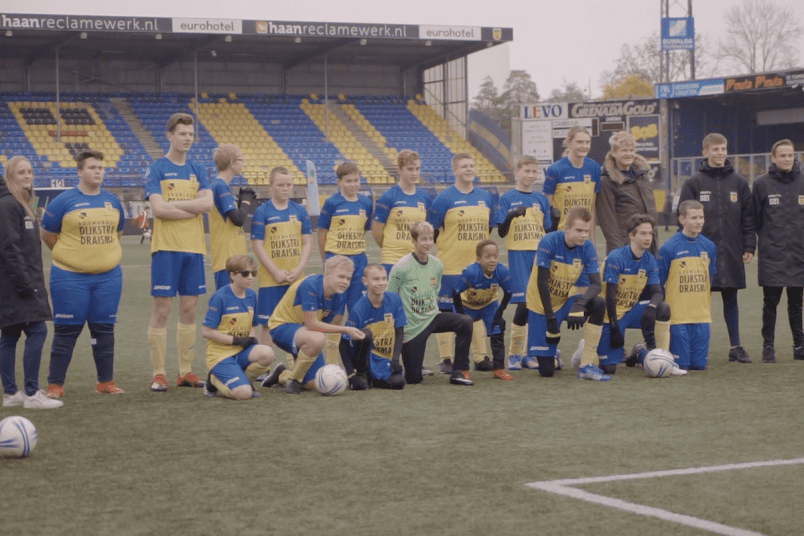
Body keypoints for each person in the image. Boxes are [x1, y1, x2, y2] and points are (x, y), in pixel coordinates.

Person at [40, 150, 126, 398]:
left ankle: (105, 382)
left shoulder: (113, 201)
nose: (98, 171)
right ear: (79, 171)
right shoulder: (62, 202)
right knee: (67, 331)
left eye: (100, 167)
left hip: (108, 277)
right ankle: (55, 384)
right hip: (69, 277)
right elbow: (47, 235)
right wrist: (71, 256)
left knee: (104, 329)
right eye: (92, 167)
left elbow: (116, 234)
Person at [144, 112, 213, 392]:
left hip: (194, 248)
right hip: (166, 248)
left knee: (189, 309)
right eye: (182, 134)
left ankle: (185, 371)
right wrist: (191, 206)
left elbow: (207, 205)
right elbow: (158, 209)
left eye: (190, 134)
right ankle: (158, 373)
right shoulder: (157, 168)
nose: (187, 139)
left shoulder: (199, 169)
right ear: (170, 135)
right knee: (162, 310)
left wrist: (179, 208)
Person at [678, 133, 754, 364]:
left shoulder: (739, 183)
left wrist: (749, 244)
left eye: (723, 149)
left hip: (731, 250)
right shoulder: (693, 183)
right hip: (699, 254)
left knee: (731, 298)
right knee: (698, 300)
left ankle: (736, 347)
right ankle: (696, 347)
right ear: (705, 152)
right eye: (715, 149)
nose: (720, 153)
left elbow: (748, 218)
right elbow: (682, 216)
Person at [0, 156, 62, 409]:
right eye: (21, 173)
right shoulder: (8, 204)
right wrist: (26, 283)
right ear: (10, 176)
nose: (27, 176)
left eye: (29, 172)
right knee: (37, 331)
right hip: (18, 283)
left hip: (17, 281)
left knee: (10, 334)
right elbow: (9, 247)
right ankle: (32, 393)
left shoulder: (21, 202)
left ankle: (12, 395)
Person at [588, 214, 680, 376]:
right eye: (643, 233)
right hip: (611, 314)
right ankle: (587, 347)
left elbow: (658, 292)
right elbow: (609, 295)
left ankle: (661, 358)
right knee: (609, 369)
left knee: (662, 308)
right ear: (631, 235)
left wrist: (651, 307)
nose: (648, 238)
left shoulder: (650, 260)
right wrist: (614, 325)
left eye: (650, 234)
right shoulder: (616, 257)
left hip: (631, 310)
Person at [429, 153, 495, 374]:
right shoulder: (444, 198)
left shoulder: (485, 197)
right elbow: (433, 230)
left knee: (475, 309)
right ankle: (446, 359)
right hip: (449, 266)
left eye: (472, 165)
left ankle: (480, 357)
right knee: (447, 311)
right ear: (455, 170)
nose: (469, 169)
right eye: (464, 166)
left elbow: (490, 229)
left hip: (476, 269)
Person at [387, 221, 474, 386]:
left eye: (430, 239)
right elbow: (390, 297)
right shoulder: (401, 267)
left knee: (465, 321)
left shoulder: (437, 265)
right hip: (412, 326)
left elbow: (434, 292)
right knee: (413, 379)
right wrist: (397, 325)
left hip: (432, 317)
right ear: (414, 240)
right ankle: (414, 368)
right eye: (423, 239)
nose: (428, 243)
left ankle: (458, 372)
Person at [525, 207, 607, 380]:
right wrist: (550, 319)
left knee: (598, 303)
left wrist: (579, 303)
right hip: (541, 305)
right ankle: (552, 355)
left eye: (586, 230)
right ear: (567, 229)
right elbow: (541, 283)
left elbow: (596, 285)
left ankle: (585, 365)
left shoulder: (587, 248)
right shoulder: (549, 241)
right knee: (547, 372)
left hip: (564, 302)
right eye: (579, 230)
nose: (584, 235)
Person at [265, 255, 366, 394]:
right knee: (317, 339)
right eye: (341, 277)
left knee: (316, 383)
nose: (345, 282)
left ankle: (282, 375)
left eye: (348, 278)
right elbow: (312, 324)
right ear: (327, 273)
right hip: (281, 328)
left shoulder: (339, 295)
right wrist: (346, 329)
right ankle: (294, 380)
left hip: (306, 335)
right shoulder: (311, 284)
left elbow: (327, 327)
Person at [496, 155, 552, 370]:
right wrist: (510, 216)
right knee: (523, 304)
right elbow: (501, 232)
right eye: (526, 171)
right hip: (518, 254)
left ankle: (531, 353)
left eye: (534, 171)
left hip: (539, 256)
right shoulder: (507, 198)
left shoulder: (541, 200)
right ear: (517, 172)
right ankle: (514, 354)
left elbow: (546, 231)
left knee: (537, 305)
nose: (530, 175)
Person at [751, 139, 804, 363]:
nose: (787, 159)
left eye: (790, 155)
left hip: (798, 255)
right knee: (770, 303)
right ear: (773, 158)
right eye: (782, 155)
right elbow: (754, 219)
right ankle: (768, 347)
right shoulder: (762, 184)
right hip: (772, 255)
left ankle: (800, 346)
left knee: (796, 304)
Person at [251, 166, 312, 347]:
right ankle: (264, 368)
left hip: (295, 279)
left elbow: (308, 243)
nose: (285, 188)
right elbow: (257, 246)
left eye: (288, 184)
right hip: (271, 279)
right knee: (268, 323)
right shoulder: (262, 212)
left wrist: (299, 269)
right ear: (270, 187)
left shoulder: (300, 211)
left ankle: (293, 368)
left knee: (295, 323)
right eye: (280, 185)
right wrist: (276, 271)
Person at [201, 255, 275, 400]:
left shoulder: (251, 295)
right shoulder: (220, 297)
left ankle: (242, 380)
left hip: (241, 352)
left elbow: (253, 325)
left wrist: (250, 338)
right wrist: (235, 340)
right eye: (245, 273)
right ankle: (213, 380)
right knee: (243, 394)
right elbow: (206, 331)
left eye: (253, 273)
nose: (250, 277)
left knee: (268, 354)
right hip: (220, 355)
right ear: (232, 275)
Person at [657, 200, 716, 371]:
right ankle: (641, 354)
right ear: (681, 219)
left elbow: (709, 279)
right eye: (693, 218)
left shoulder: (709, 246)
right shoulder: (669, 247)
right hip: (678, 318)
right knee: (680, 365)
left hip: (701, 317)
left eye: (701, 217)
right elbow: (659, 282)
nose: (699, 221)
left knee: (698, 366)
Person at [452, 240, 514, 380]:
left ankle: (498, 369)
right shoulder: (470, 272)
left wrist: (499, 314)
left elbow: (508, 293)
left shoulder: (501, 270)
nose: (492, 260)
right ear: (478, 259)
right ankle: (462, 369)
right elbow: (455, 292)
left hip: (489, 305)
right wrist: (462, 316)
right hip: (467, 306)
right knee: (464, 335)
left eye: (495, 256)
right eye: (487, 256)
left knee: (498, 330)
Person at [340, 264, 407, 390]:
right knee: (366, 334)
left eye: (384, 278)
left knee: (398, 383)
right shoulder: (358, 308)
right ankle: (362, 373)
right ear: (365, 281)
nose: (381, 283)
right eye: (376, 279)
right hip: (362, 358)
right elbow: (343, 343)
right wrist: (351, 375)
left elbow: (399, 332)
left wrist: (395, 360)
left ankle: (375, 380)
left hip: (382, 359)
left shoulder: (394, 300)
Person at [318, 161, 373, 312]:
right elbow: (322, 232)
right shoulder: (331, 203)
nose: (352, 185)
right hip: (336, 258)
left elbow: (363, 230)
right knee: (334, 308)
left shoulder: (366, 203)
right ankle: (330, 335)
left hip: (358, 260)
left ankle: (352, 336)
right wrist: (327, 259)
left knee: (357, 307)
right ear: (339, 182)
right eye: (348, 181)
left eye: (356, 180)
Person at [596, 131, 659, 256]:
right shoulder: (606, 181)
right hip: (626, 248)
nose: (629, 154)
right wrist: (620, 253)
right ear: (613, 153)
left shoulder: (642, 176)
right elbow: (608, 222)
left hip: (648, 246)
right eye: (624, 150)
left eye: (631, 150)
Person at [372, 150, 432, 275]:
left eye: (417, 169)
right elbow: (376, 231)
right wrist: (392, 248)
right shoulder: (388, 197)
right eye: (410, 169)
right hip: (392, 261)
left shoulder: (424, 197)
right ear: (399, 169)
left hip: (417, 260)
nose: (414, 173)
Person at [543, 126, 600, 247]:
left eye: (587, 142)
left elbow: (591, 210)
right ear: (568, 142)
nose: (584, 146)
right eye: (579, 142)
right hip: (560, 237)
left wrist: (592, 241)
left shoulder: (594, 168)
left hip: (583, 238)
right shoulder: (555, 169)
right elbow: (546, 209)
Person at [209, 144, 256, 291]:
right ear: (231, 162)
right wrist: (246, 202)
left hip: (233, 257)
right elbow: (238, 220)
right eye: (240, 159)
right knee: (229, 306)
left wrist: (241, 202)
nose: (243, 163)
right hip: (227, 258)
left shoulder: (222, 186)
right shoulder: (220, 186)